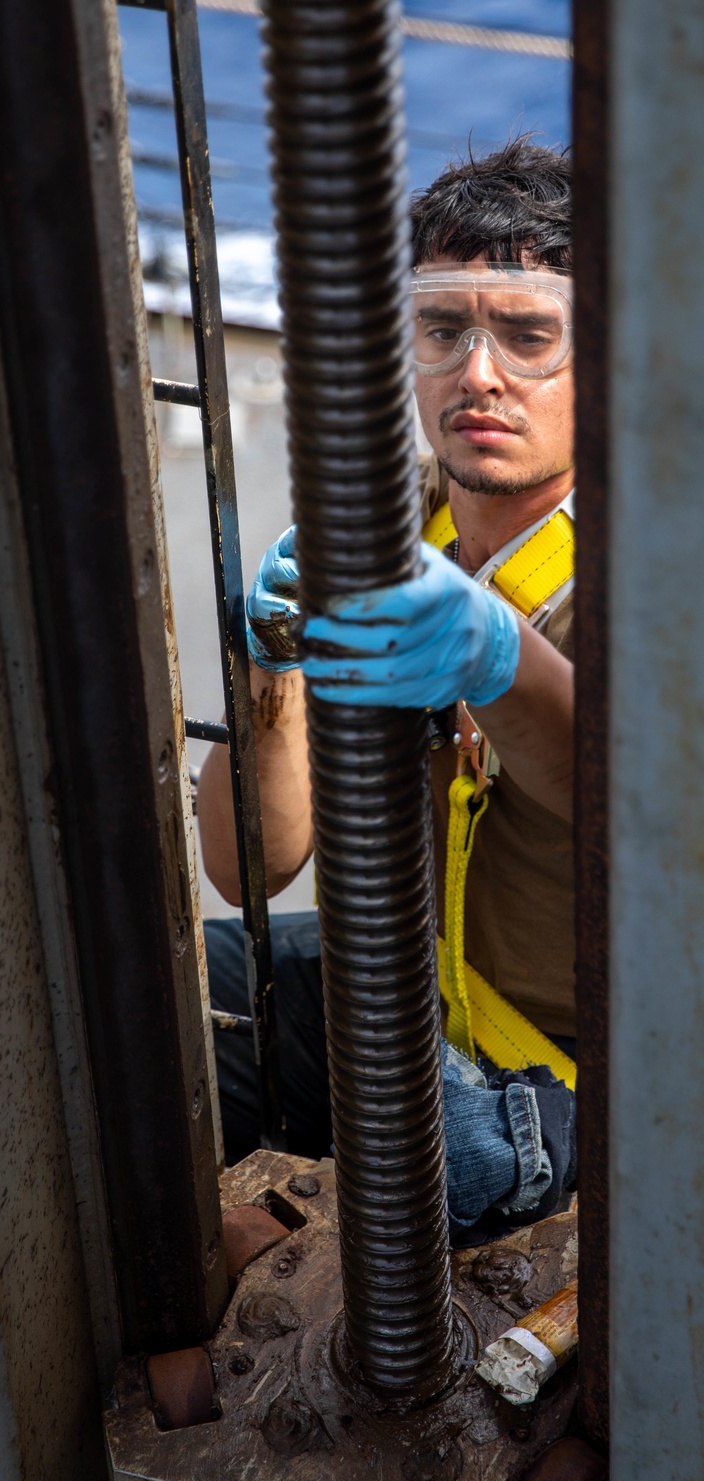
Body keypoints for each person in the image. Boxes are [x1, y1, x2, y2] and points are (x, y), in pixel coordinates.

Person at [196, 140, 577, 1239]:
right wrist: (269, 667)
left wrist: (495, 659)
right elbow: (248, 866)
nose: (479, 372)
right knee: (163, 1007)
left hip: (568, 1075)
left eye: (528, 334)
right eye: (443, 327)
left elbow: (647, 824)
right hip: (411, 993)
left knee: (345, 1218)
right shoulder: (393, 528)